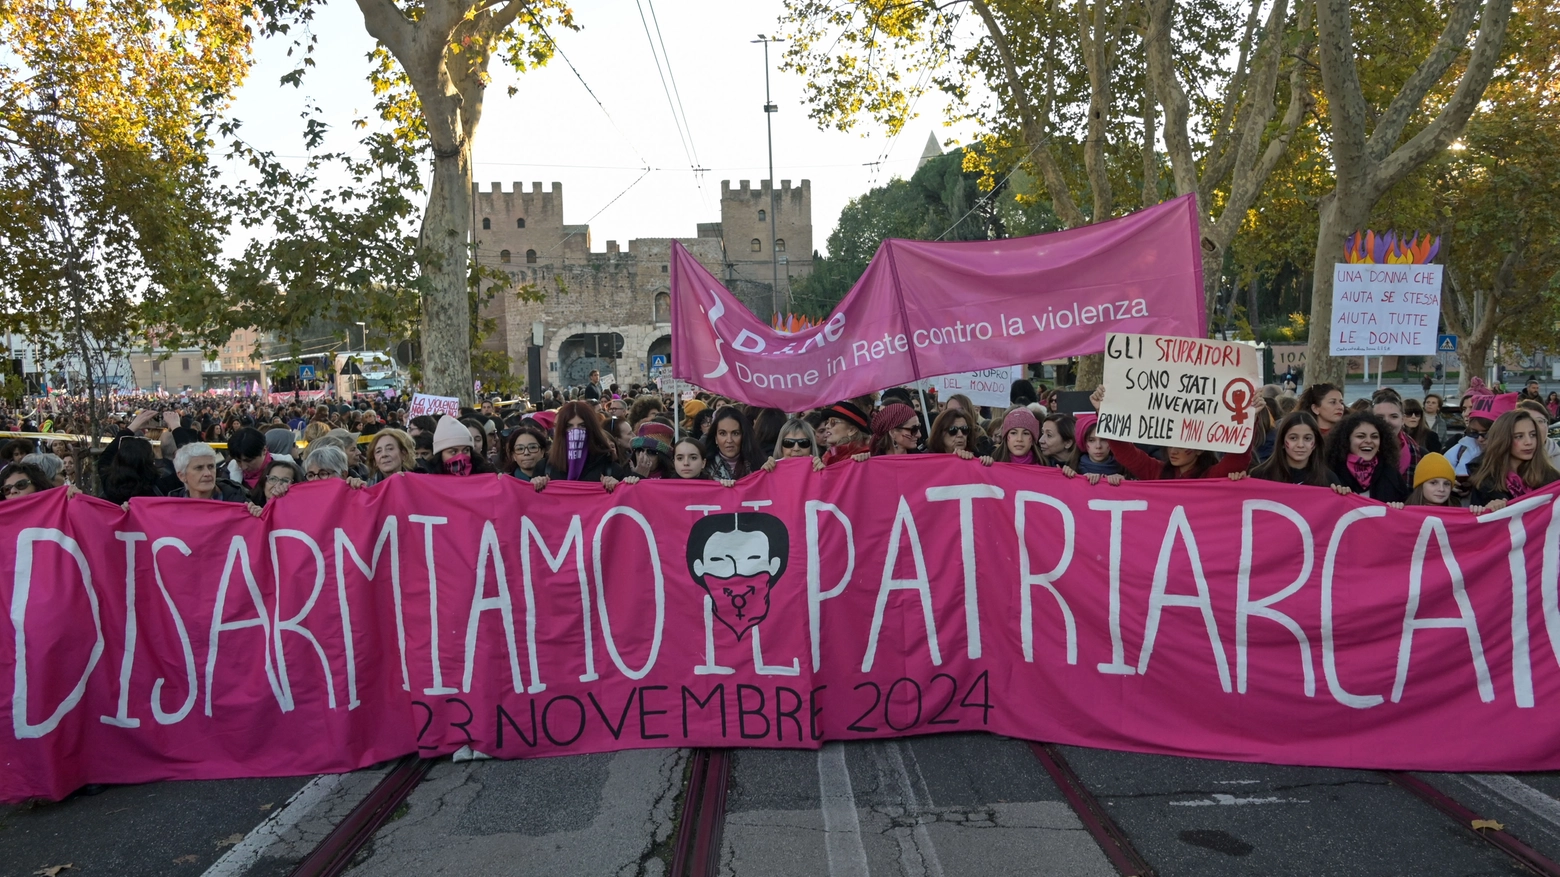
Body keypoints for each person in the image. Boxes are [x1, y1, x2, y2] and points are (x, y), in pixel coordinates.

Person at [1089, 386, 1251, 480]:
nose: (1173, 450)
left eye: (1180, 445)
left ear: (1200, 449)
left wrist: (1249, 416)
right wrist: (1104, 412)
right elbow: (1126, 453)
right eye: (1170, 443)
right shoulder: (1156, 471)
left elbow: (1238, 459)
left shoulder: (1212, 476)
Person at [1468, 409, 1560, 513]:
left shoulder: (1552, 478)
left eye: (1532, 435)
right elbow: (1478, 524)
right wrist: (1487, 511)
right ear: (1503, 439)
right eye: (1519, 436)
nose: (1529, 442)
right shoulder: (1483, 481)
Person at [1323, 410, 1409, 502]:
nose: (1368, 441)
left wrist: (1399, 506)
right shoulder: (1330, 473)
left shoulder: (1391, 473)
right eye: (1360, 436)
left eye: (1374, 436)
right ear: (1347, 441)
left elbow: (1407, 505)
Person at [1248, 412, 1345, 490]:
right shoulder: (1259, 475)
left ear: (1315, 443)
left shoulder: (1329, 479)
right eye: (1293, 438)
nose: (1300, 445)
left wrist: (1343, 495)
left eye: (1307, 438)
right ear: (1282, 441)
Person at [542, 400, 623, 489]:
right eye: (569, 426)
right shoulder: (544, 467)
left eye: (582, 425)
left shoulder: (609, 468)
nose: (575, 431)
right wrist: (536, 484)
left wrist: (619, 485)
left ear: (591, 428)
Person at [169, 443, 249, 502]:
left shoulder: (239, 499)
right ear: (182, 476)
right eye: (199, 468)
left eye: (211, 467)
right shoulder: (170, 506)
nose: (208, 473)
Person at [1061, 413, 1124, 485]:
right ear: (1084, 443)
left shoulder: (1125, 470)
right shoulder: (1072, 469)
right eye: (1091, 440)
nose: (1098, 446)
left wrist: (1125, 483)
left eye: (1104, 440)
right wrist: (1068, 476)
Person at [100, 436, 163, 505]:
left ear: (118, 458)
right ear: (149, 461)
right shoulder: (158, 487)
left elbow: (106, 455)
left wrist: (130, 428)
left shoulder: (108, 482)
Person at [427, 415, 497, 477]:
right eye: (453, 452)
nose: (461, 456)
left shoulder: (486, 475)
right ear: (440, 454)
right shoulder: (427, 481)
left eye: (466, 450)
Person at [705, 406, 764, 479]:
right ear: (715, 438)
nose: (729, 440)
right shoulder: (703, 468)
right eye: (723, 433)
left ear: (743, 436)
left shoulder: (760, 465)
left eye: (735, 433)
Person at [979, 407, 1044, 466]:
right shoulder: (993, 461)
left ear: (1033, 439)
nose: (1019, 439)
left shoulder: (1045, 466)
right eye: (1013, 433)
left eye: (1026, 433)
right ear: (1006, 437)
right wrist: (982, 464)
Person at [819, 401, 872, 466]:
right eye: (827, 422)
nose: (827, 426)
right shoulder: (828, 455)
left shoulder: (864, 456)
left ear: (852, 430)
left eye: (833, 422)